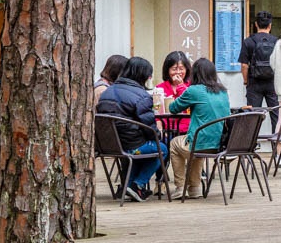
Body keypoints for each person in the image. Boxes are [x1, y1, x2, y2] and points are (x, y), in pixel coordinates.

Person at [96, 56, 168, 202]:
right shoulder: (141, 96)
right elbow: (150, 127)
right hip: (130, 146)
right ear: (143, 75)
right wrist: (158, 135)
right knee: (162, 149)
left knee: (142, 147)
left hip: (109, 145)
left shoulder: (108, 91)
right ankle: (138, 185)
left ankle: (127, 186)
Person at [168, 58, 231, 200]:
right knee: (196, 143)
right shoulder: (223, 92)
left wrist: (180, 87)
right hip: (218, 145)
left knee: (175, 144)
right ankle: (195, 188)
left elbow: (173, 108)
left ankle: (180, 187)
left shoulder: (194, 90)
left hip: (200, 144)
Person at [239, 11, 279, 131]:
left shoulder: (248, 41)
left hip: (254, 83)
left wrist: (246, 80)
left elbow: (244, 65)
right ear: (270, 25)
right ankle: (277, 145)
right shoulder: (276, 41)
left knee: (252, 114)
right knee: (275, 114)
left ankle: (252, 143)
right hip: (272, 83)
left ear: (256, 24)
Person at [156, 51, 192, 132]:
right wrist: (160, 131)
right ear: (167, 70)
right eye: (174, 69)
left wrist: (181, 86)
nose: (178, 72)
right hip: (167, 131)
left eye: (181, 69)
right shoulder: (160, 88)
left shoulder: (191, 87)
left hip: (187, 131)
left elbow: (188, 106)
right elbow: (156, 112)